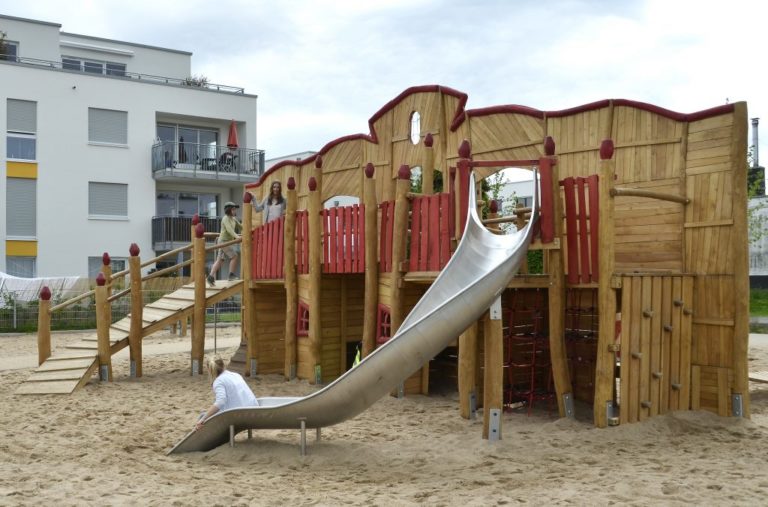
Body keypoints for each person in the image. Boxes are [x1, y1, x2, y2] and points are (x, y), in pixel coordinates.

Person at [195, 357, 258, 432]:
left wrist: (203, 419)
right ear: (223, 365)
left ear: (209, 370)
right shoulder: (235, 375)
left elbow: (220, 401)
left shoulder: (218, 381)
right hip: (254, 411)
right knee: (209, 412)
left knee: (203, 416)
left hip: (240, 415)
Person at [207, 201, 242, 286]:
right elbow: (229, 230)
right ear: (228, 210)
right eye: (233, 209)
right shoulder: (225, 218)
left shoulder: (233, 219)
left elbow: (241, 226)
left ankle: (210, 277)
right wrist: (237, 237)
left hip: (226, 242)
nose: (235, 211)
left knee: (220, 260)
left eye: (235, 209)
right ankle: (231, 275)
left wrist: (249, 230)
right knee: (234, 256)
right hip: (223, 241)